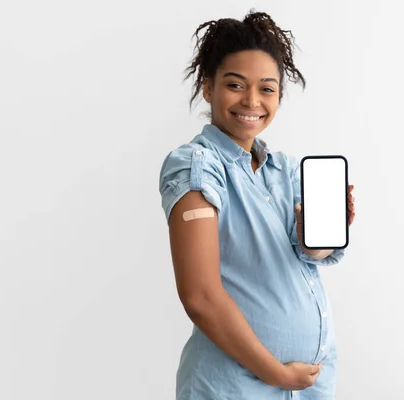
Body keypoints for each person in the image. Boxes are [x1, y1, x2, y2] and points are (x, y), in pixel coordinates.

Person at [159, 10, 356, 400]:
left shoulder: (282, 170)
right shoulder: (197, 166)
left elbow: (304, 258)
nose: (252, 100)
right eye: (235, 84)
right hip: (237, 388)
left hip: (306, 388)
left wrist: (315, 241)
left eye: (267, 88)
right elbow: (199, 296)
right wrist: (277, 374)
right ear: (207, 87)